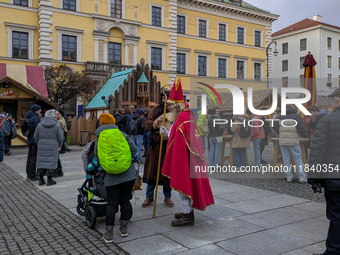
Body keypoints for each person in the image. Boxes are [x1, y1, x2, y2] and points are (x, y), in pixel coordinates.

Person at [161, 79, 214, 226]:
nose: (169, 107)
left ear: (177, 106)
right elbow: (177, 135)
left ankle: (188, 216)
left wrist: (168, 134)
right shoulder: (186, 116)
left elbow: (179, 139)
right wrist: (167, 131)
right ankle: (187, 210)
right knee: (185, 186)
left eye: (171, 105)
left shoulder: (182, 118)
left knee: (183, 186)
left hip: (185, 159)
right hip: (188, 158)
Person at [94, 113, 137, 243]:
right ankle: (123, 229)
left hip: (111, 175)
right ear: (113, 122)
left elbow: (97, 157)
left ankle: (108, 234)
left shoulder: (99, 137)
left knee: (111, 204)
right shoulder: (122, 134)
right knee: (124, 200)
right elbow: (134, 150)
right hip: (128, 174)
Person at [308, 99, 340, 255]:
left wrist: (313, 178)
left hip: (335, 178)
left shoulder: (327, 120)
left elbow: (317, 151)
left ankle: (333, 252)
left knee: (337, 217)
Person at [142, 90, 174, 208]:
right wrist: (156, 124)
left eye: (167, 99)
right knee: (152, 171)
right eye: (163, 98)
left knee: (167, 172)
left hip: (169, 145)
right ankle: (149, 196)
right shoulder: (155, 110)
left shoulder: (174, 111)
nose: (165, 101)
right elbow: (147, 122)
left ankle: (167, 197)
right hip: (155, 145)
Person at [274, 105, 308, 183]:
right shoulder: (296, 116)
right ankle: (302, 177)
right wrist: (303, 135)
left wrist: (280, 134)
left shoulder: (280, 117)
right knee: (298, 158)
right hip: (294, 141)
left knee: (286, 159)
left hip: (283, 141)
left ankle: (289, 176)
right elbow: (301, 128)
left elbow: (276, 128)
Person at [34, 109, 63, 186]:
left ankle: (40, 179)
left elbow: (35, 136)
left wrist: (39, 143)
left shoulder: (39, 125)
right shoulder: (56, 125)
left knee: (41, 162)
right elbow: (60, 138)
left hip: (41, 146)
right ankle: (49, 179)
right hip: (53, 146)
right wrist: (58, 145)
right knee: (51, 162)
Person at [26, 104, 42, 180]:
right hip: (34, 140)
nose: (40, 111)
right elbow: (38, 129)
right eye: (39, 110)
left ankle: (28, 173)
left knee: (29, 156)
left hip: (29, 139)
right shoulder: (36, 118)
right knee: (34, 157)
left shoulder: (29, 117)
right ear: (36, 110)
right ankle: (32, 174)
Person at [55, 111, 66, 176]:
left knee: (56, 155)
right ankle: (59, 171)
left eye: (56, 114)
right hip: (57, 140)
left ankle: (58, 170)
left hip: (58, 140)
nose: (55, 115)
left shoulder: (60, 122)